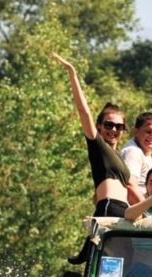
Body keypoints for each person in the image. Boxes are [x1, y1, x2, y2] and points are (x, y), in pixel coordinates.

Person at [52, 52, 136, 217]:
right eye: (109, 125)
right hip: (109, 206)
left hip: (123, 210)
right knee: (99, 244)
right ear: (99, 126)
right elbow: (84, 112)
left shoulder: (118, 156)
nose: (113, 130)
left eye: (119, 126)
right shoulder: (98, 145)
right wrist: (72, 73)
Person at [120, 112, 152, 204]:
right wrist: (147, 211)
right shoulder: (133, 152)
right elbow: (130, 186)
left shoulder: (144, 153)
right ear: (136, 131)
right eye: (148, 132)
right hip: (134, 212)